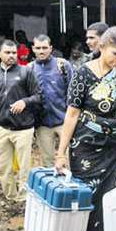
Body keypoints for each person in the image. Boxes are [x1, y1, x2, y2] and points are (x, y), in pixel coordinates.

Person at [54, 27, 116, 231]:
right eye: (115, 53)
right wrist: (60, 153)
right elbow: (72, 114)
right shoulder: (83, 74)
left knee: (115, 200)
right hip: (87, 149)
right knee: (92, 204)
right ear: (101, 47)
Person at [0, 40, 42, 201]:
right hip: (2, 128)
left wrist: (24, 102)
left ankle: (23, 198)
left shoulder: (25, 72)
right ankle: (11, 196)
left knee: (24, 167)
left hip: (23, 129)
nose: (11, 56)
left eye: (14, 53)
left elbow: (38, 96)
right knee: (3, 167)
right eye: (7, 53)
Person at [29, 34, 72, 168]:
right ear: (33, 49)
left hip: (64, 121)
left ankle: (71, 188)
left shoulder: (63, 65)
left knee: (70, 160)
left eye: (44, 48)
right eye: (38, 48)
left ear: (51, 48)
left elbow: (73, 92)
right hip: (42, 125)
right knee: (48, 163)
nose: (41, 51)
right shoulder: (29, 69)